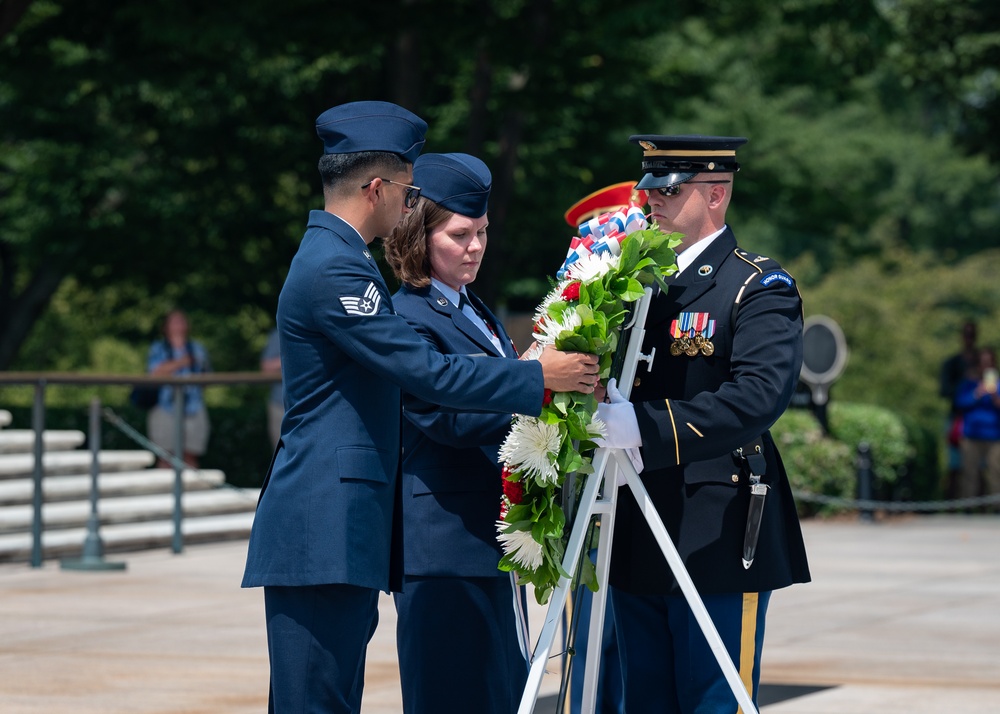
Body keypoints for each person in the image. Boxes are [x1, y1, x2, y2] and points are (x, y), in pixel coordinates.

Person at [240, 100, 599, 714]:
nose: (410, 206)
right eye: (407, 192)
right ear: (376, 187)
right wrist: (538, 377)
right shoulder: (334, 269)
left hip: (340, 523)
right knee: (314, 700)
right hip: (323, 522)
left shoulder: (343, 261)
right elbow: (427, 373)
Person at [595, 135, 811, 713]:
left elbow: (758, 398)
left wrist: (642, 425)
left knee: (715, 701)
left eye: (669, 191)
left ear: (716, 195)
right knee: (643, 700)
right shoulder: (635, 283)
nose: (652, 203)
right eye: (650, 190)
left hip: (714, 528)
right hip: (637, 522)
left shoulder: (757, 286)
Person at [382, 152, 528, 714]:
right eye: (459, 234)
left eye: (483, 233)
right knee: (451, 695)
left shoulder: (471, 308)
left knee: (498, 695)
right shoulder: (408, 316)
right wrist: (535, 391)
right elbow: (445, 416)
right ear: (420, 236)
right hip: (442, 545)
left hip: (484, 536)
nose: (475, 247)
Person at [145, 308, 211, 469]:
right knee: (166, 456)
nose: (179, 324)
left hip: (193, 407)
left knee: (190, 455)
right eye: (174, 321)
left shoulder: (197, 348)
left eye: (182, 320)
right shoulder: (158, 348)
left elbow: (207, 376)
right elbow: (154, 372)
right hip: (165, 407)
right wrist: (182, 363)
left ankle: (190, 493)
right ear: (166, 326)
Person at [954, 346, 1000, 502]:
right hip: (971, 435)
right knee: (969, 473)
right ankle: (968, 506)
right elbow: (960, 403)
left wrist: (995, 397)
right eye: (983, 363)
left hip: (995, 435)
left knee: (996, 472)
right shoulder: (969, 384)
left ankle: (996, 506)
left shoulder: (998, 385)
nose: (986, 366)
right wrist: (977, 393)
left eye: (989, 363)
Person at [939, 320, 979, 498]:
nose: (969, 338)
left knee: (983, 468)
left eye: (972, 334)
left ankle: (984, 509)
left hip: (982, 422)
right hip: (957, 419)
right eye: (966, 334)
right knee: (954, 466)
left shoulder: (983, 362)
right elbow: (944, 391)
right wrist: (965, 383)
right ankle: (952, 506)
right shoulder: (952, 363)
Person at [259, 327, 283, 450]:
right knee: (281, 453)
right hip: (280, 404)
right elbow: (266, 368)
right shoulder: (278, 333)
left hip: (313, 403)